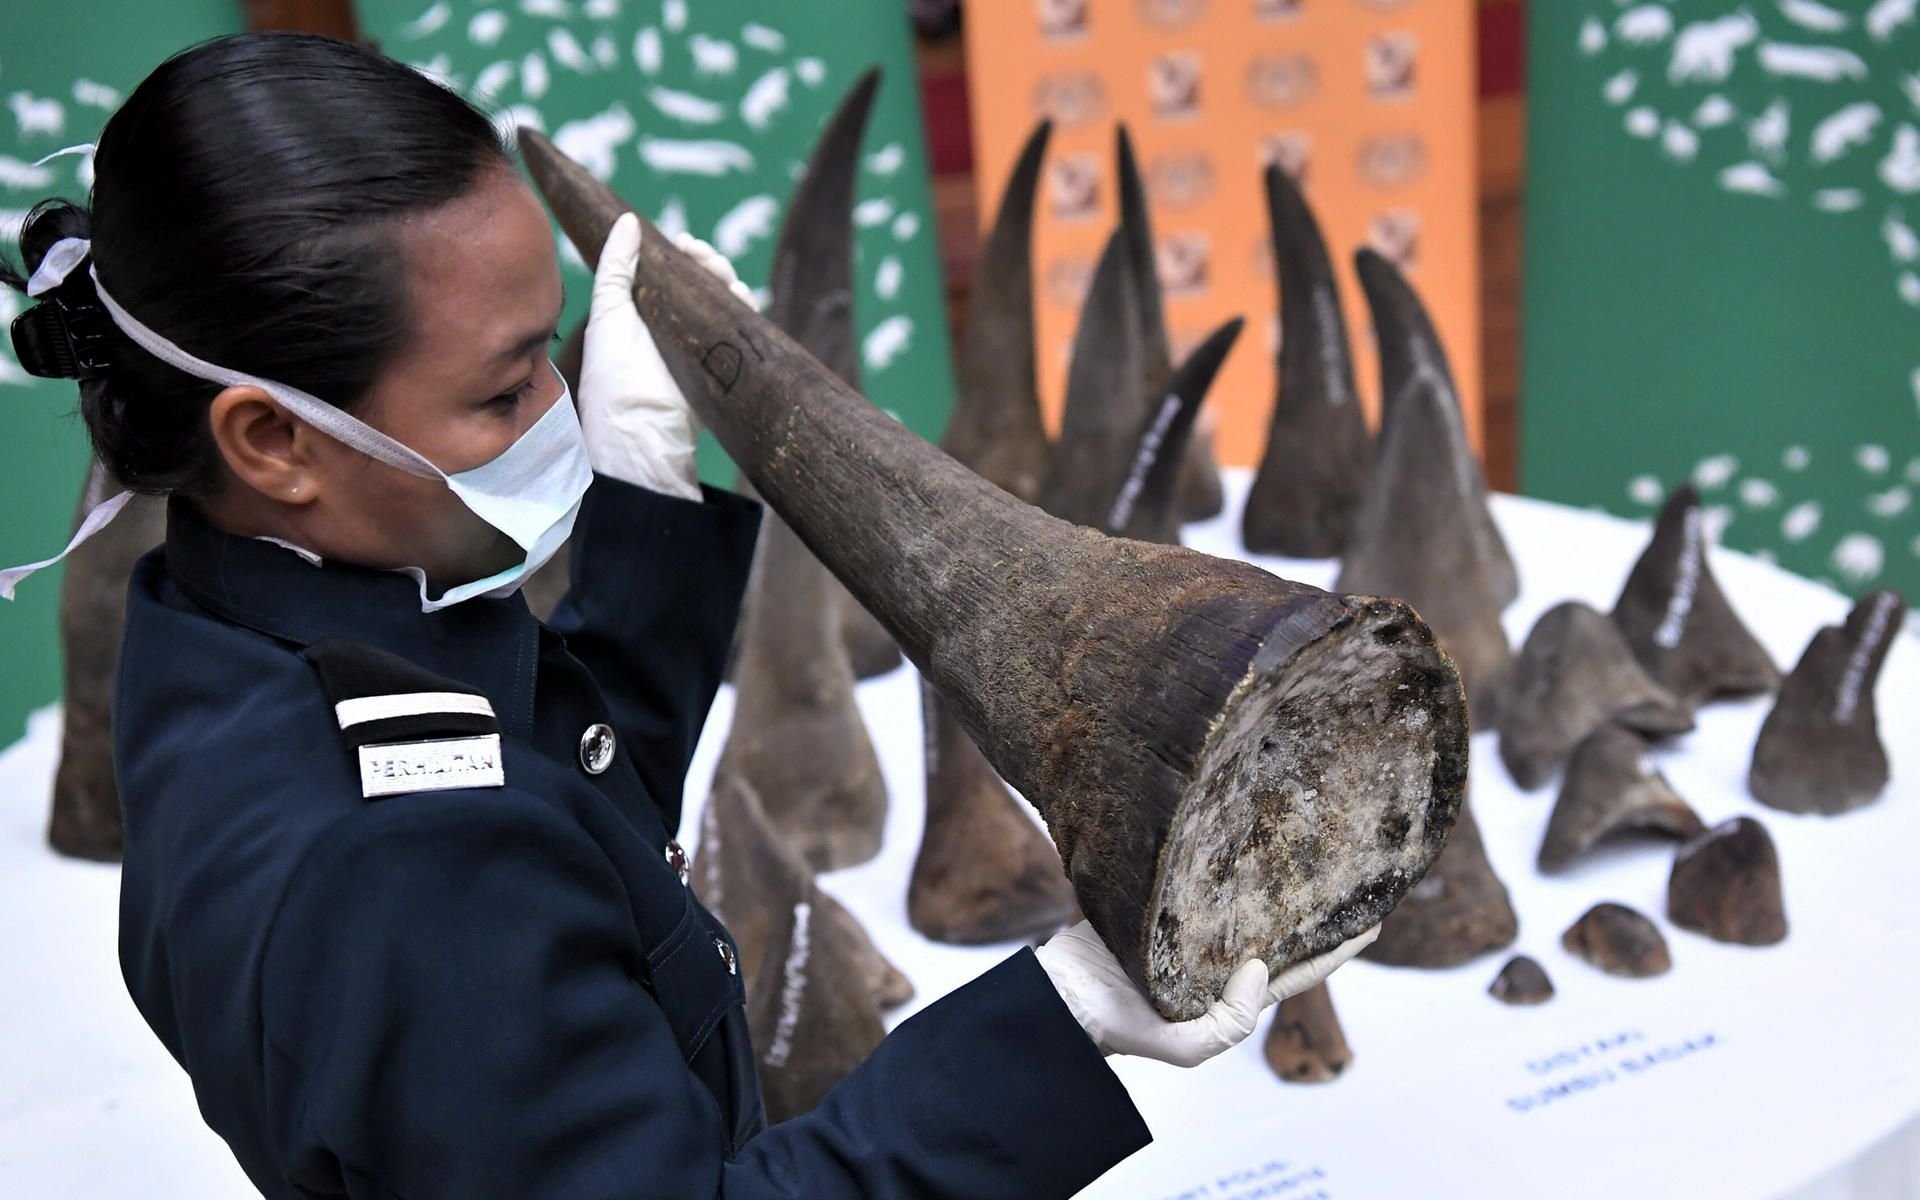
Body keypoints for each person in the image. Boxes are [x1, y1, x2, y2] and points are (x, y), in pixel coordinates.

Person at [2, 33, 1373, 1199]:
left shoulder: (235, 621)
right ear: (272, 440)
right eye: (502, 390)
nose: (558, 407)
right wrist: (1054, 1031)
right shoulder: (391, 870)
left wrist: (645, 502)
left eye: (552, 350)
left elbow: (538, 813)